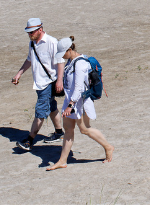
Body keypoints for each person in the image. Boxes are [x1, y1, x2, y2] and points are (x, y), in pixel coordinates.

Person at [46, 36, 114, 170]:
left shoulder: (80, 64)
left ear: (70, 49)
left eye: (64, 53)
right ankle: (62, 161)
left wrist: (70, 105)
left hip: (79, 102)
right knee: (68, 129)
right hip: (70, 100)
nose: (63, 57)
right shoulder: (71, 61)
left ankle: (108, 147)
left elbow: (79, 87)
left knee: (85, 129)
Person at [11, 18, 64, 150]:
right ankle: (59, 133)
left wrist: (59, 80)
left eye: (32, 32)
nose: (30, 35)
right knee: (51, 107)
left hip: (48, 83)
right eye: (28, 33)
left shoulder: (52, 42)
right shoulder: (32, 43)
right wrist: (19, 74)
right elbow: (30, 60)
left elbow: (61, 62)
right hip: (39, 83)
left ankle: (29, 141)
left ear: (40, 29)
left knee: (40, 112)